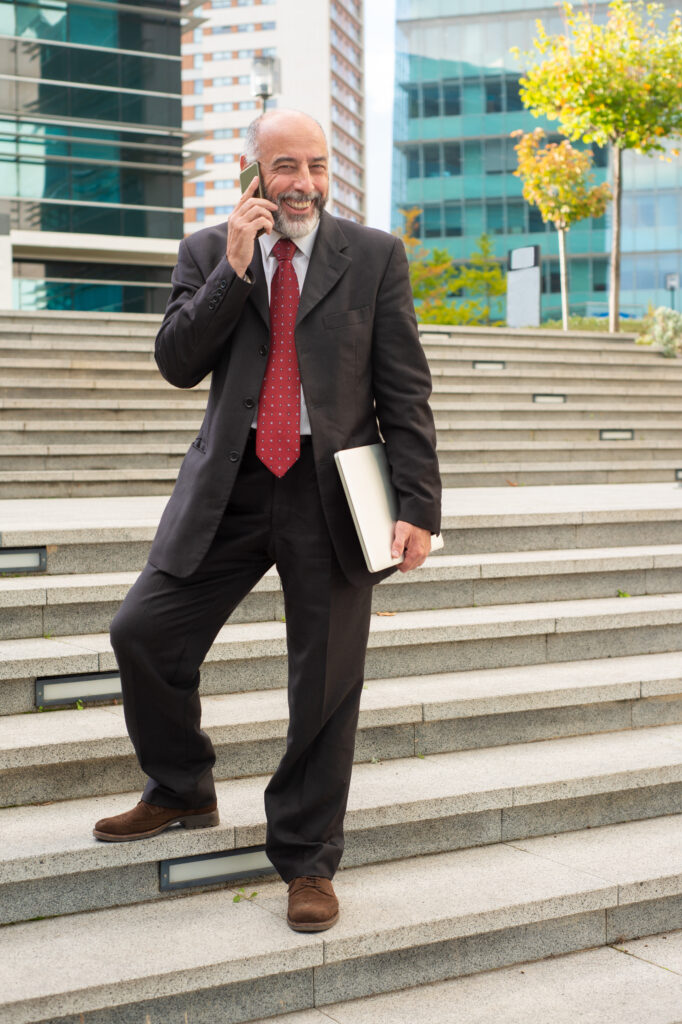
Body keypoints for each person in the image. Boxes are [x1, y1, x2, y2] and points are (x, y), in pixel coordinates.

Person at [94, 109, 442, 933]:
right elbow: (177, 362)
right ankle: (181, 787)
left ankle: (307, 858)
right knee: (142, 632)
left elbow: (405, 387)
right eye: (286, 166)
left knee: (324, 682)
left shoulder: (374, 256)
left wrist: (418, 507)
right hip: (230, 485)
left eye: (316, 165)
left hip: (333, 490)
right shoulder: (208, 252)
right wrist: (236, 268)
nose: (304, 183)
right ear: (251, 171)